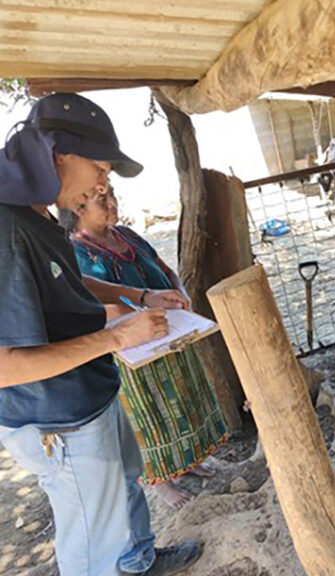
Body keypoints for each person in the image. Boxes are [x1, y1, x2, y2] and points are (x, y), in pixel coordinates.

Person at [0, 93, 202, 576]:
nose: (102, 183)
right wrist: (117, 338)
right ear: (58, 155)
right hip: (55, 418)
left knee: (126, 487)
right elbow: (5, 366)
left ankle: (140, 562)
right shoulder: (5, 229)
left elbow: (67, 279)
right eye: (100, 168)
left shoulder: (35, 212)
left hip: (88, 392)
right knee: (94, 536)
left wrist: (140, 296)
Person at [61, 184, 229, 508]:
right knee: (151, 414)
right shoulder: (77, 254)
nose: (113, 203)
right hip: (135, 347)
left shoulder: (126, 235)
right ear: (78, 209)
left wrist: (180, 293)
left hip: (171, 331)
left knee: (183, 400)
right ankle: (160, 481)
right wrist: (145, 312)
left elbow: (165, 271)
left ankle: (187, 462)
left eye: (113, 194)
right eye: (102, 200)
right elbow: (101, 308)